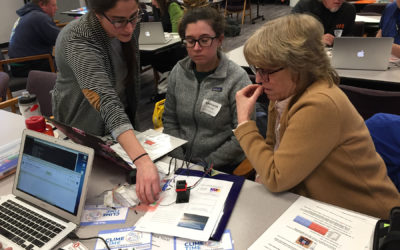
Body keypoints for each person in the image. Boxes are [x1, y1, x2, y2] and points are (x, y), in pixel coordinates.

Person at [234, 14, 400, 219]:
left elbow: (276, 178)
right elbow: (271, 148)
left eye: (267, 70)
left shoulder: (319, 103)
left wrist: (244, 123)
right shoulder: (282, 93)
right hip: (318, 207)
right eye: (256, 69)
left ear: (300, 65)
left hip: (365, 219)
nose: (259, 79)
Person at [52, 0, 160, 204]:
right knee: (94, 193)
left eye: (134, 17)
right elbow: (105, 99)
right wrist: (142, 160)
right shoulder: (77, 37)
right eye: (119, 21)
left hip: (120, 117)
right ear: (97, 13)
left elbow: (124, 84)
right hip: (84, 121)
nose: (129, 28)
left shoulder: (128, 25)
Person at [162, 7, 253, 173]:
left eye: (204, 40)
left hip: (221, 166)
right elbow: (169, 120)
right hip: (179, 161)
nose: (196, 48)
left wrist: (204, 164)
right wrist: (180, 159)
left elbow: (241, 136)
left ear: (219, 40)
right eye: (190, 41)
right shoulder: (178, 71)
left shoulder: (237, 79)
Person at [8, 0, 59, 77]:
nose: (56, 8)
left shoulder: (27, 15)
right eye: (53, 5)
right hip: (28, 67)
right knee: (72, 61)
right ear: (42, 4)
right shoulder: (39, 17)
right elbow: (61, 39)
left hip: (18, 65)